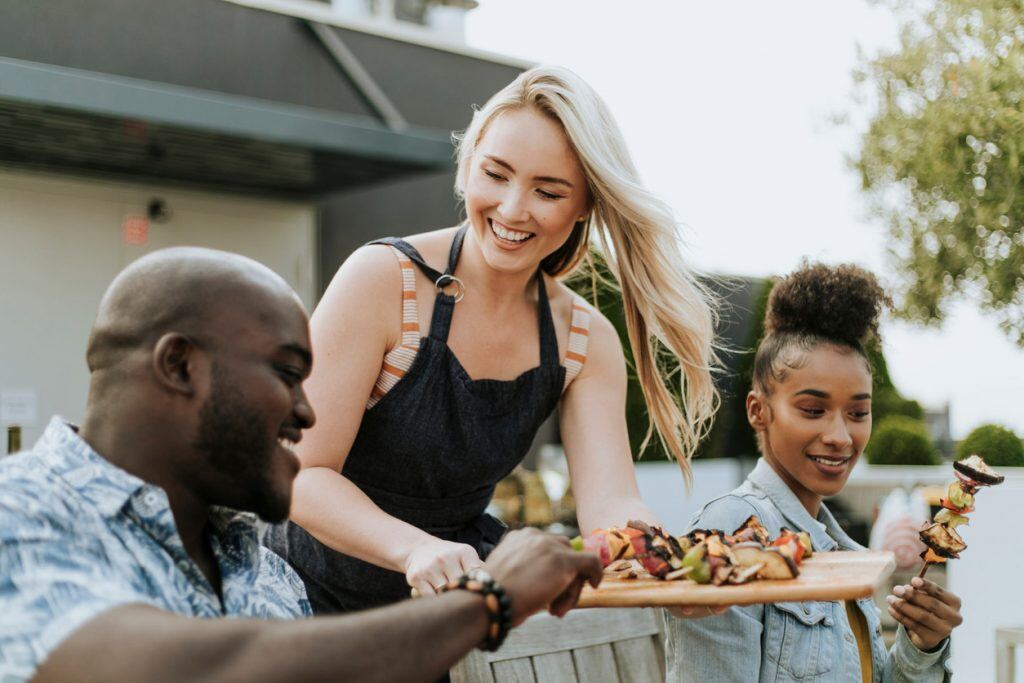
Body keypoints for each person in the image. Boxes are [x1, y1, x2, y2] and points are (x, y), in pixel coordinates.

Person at [0, 248, 603, 683]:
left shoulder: (269, 577)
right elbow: (193, 667)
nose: (309, 412)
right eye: (288, 374)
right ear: (180, 365)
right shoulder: (20, 512)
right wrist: (487, 603)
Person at [270, 64, 720, 613]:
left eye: (548, 192)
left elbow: (612, 504)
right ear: (467, 168)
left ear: (585, 207)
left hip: (432, 619)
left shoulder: (583, 339)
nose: (511, 209)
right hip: (293, 601)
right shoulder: (383, 279)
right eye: (496, 174)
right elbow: (300, 472)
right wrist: (415, 548)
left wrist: (670, 567)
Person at [663, 263, 960, 682]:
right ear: (758, 411)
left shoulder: (842, 553)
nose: (841, 436)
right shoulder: (728, 534)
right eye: (812, 410)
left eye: (858, 412)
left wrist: (921, 647)